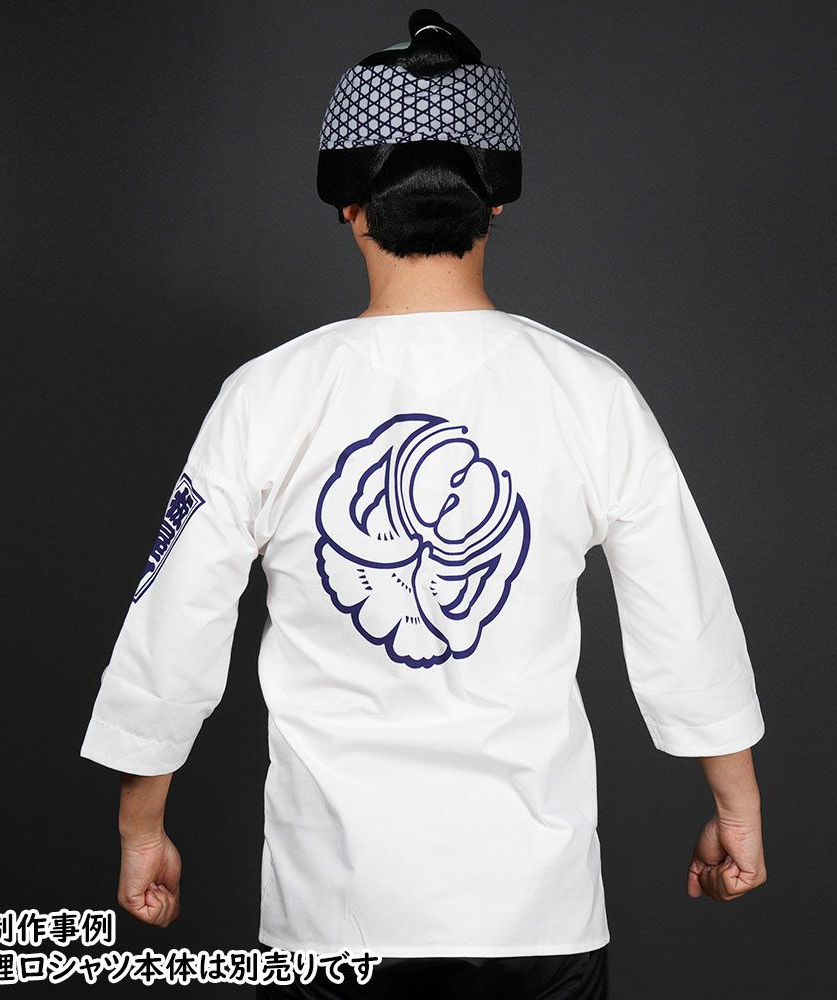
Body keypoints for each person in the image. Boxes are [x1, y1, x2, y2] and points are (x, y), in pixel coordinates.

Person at [79, 9, 767, 999]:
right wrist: (736, 805)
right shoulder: (589, 392)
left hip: (332, 911)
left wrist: (140, 827)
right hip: (534, 909)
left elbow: (174, 627)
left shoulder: (268, 396)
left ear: (346, 204)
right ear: (498, 201)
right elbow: (683, 617)